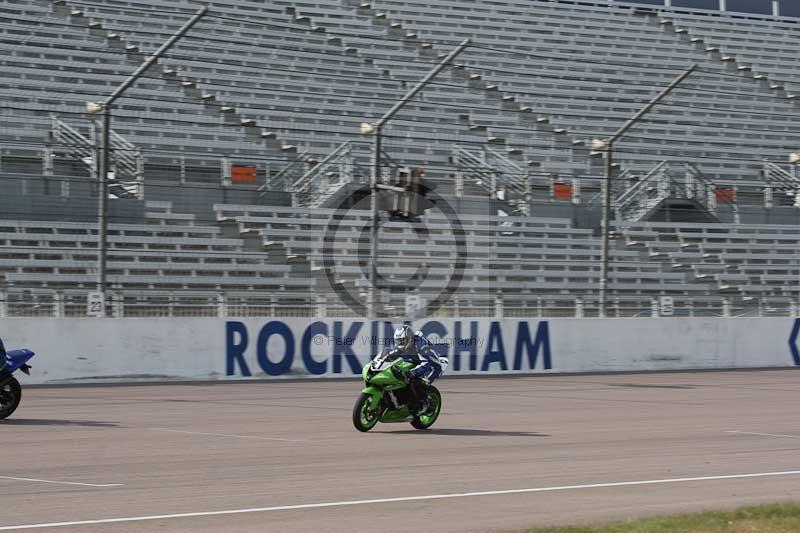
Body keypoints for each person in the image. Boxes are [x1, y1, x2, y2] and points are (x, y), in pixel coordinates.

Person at [391, 325, 448, 416]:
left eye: (403, 340)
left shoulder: (420, 345)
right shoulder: (405, 344)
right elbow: (392, 352)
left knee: (416, 381)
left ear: (410, 338)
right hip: (418, 360)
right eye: (399, 341)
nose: (400, 343)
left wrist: (413, 372)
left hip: (433, 366)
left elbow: (426, 364)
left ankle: (425, 404)